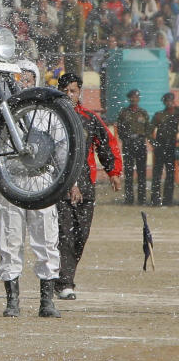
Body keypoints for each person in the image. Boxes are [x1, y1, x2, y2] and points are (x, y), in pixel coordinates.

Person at [0, 62, 61, 318]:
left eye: (27, 79)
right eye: (18, 78)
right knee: (9, 240)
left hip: (42, 182)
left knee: (46, 241)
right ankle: (12, 300)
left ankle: (47, 301)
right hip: (11, 182)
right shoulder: (3, 113)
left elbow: (62, 149)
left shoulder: (48, 113)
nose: (22, 83)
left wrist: (70, 182)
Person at [55, 73, 122, 300]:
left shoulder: (89, 118)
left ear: (79, 92)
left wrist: (113, 172)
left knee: (81, 234)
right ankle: (64, 282)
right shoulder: (51, 117)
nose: (68, 95)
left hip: (86, 184)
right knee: (64, 233)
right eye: (64, 90)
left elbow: (106, 143)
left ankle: (61, 276)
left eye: (72, 91)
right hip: (59, 186)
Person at [116, 89, 149, 206]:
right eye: (132, 97)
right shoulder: (124, 113)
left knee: (141, 173)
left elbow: (148, 129)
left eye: (136, 97)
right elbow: (119, 129)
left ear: (139, 99)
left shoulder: (143, 113)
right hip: (128, 144)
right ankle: (129, 199)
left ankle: (142, 199)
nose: (134, 99)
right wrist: (126, 138)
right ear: (129, 99)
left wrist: (142, 137)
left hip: (140, 144)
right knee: (129, 173)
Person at [148, 92, 179, 207]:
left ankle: (168, 200)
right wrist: (154, 143)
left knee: (170, 175)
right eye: (167, 101)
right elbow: (149, 130)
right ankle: (155, 200)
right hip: (160, 147)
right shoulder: (159, 115)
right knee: (157, 175)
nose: (169, 103)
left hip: (171, 146)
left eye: (170, 100)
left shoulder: (177, 113)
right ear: (164, 102)